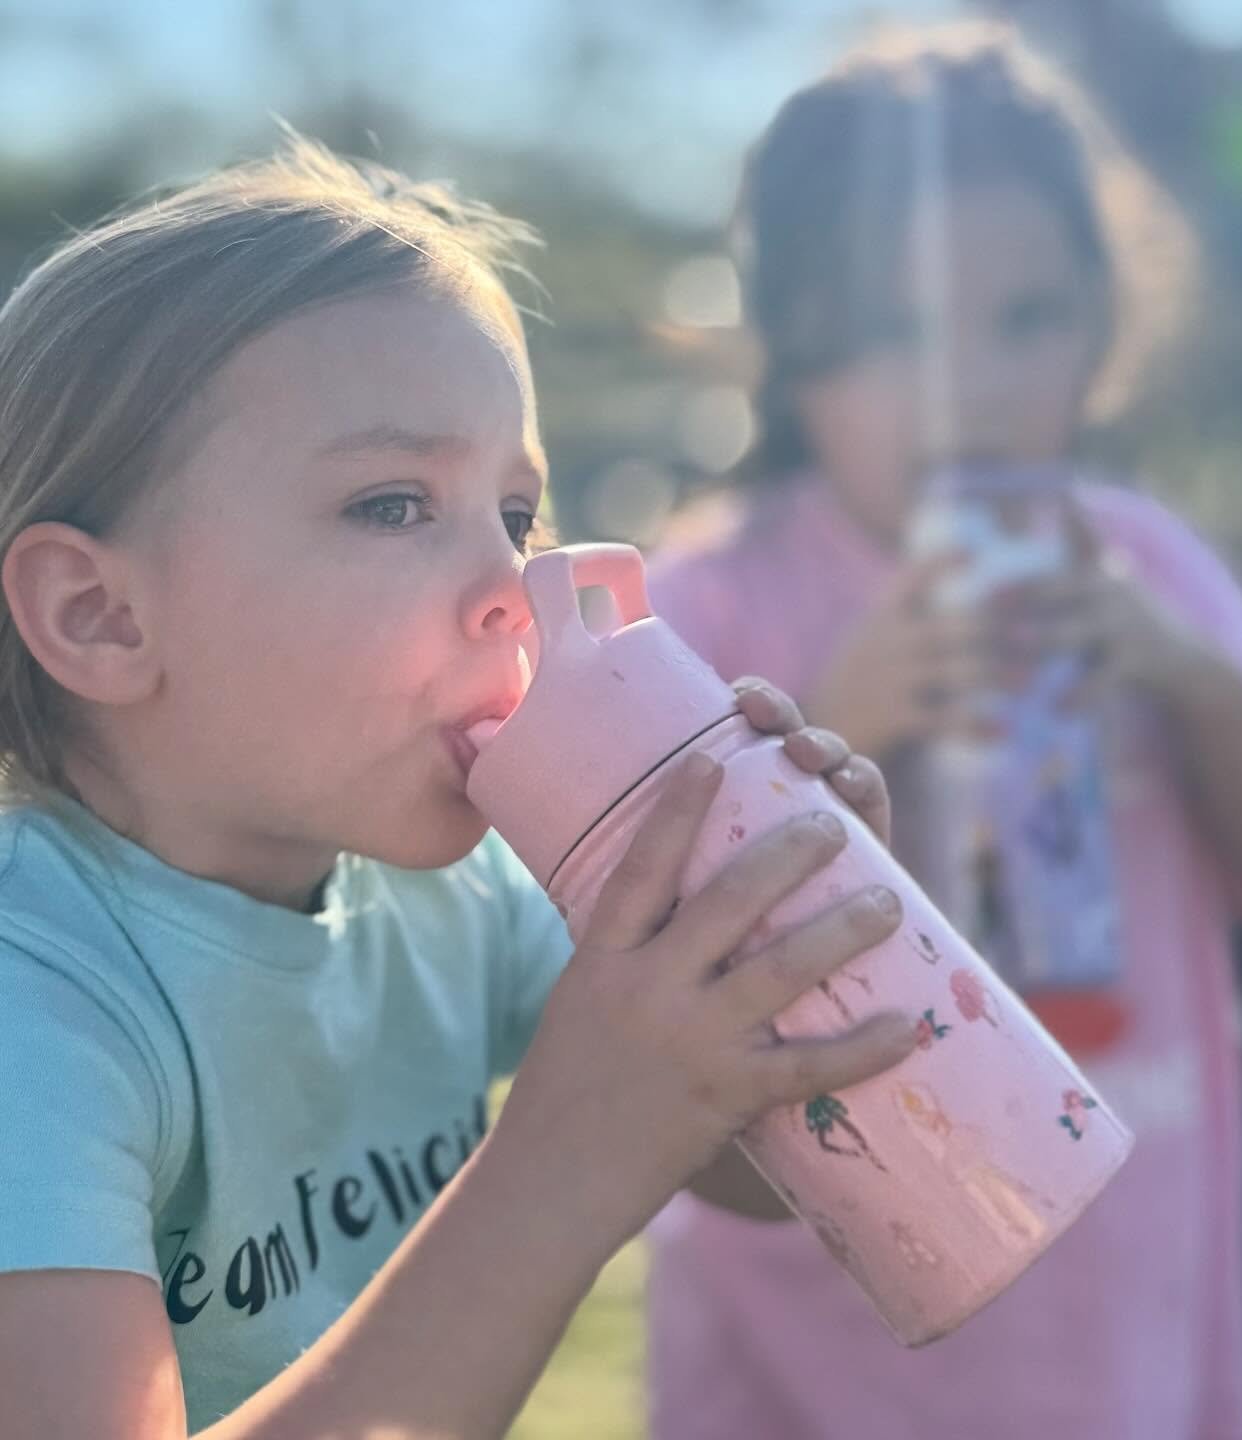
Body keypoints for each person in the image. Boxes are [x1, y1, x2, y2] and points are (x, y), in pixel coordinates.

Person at [0, 139, 919, 1438]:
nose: (518, 589)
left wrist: (788, 964)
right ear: (100, 615)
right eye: (392, 505)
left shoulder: (461, 889)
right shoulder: (34, 1011)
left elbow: (745, 1164)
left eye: (518, 513)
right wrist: (560, 1166)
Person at [645, 23, 1242, 1440]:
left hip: (1128, 1299)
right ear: (794, 348)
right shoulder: (711, 601)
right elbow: (651, 1010)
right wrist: (840, 725)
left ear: (1107, 325)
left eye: (1028, 319)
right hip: (829, 1344)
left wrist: (1190, 679)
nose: (969, 387)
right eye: (898, 330)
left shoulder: (1141, 562)